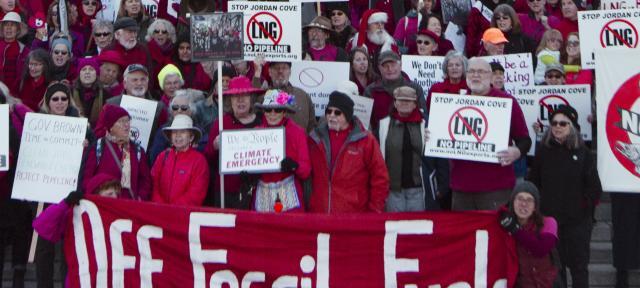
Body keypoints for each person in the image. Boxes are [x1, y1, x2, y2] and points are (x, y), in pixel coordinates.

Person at [441, 58, 531, 211]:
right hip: (462, 187)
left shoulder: (507, 101)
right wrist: (431, 136)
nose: (475, 75)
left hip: (496, 188)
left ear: (490, 76)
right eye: (471, 71)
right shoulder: (455, 103)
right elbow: (442, 136)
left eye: (481, 72)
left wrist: (516, 152)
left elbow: (525, 140)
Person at [528, 105, 602, 288]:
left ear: (573, 127)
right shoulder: (543, 152)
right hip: (550, 222)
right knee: (554, 270)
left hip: (577, 223)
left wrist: (583, 207)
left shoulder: (583, 153)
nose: (558, 127)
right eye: (554, 123)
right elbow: (533, 183)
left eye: (563, 123)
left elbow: (594, 188)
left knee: (579, 268)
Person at [308, 91, 389, 213]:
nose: (332, 115)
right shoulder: (315, 138)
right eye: (328, 111)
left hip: (353, 216)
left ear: (347, 115)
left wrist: (374, 211)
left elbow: (380, 178)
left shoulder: (366, 140)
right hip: (320, 214)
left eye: (337, 112)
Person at [204, 76, 264, 208]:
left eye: (245, 95)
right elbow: (208, 157)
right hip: (227, 191)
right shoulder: (221, 123)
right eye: (236, 96)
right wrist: (214, 147)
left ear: (251, 98)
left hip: (257, 190)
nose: (240, 100)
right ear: (229, 100)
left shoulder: (262, 122)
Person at [252, 90, 311, 212]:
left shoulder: (297, 133)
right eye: (268, 110)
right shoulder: (255, 133)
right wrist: (249, 173)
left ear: (284, 112)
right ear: (263, 111)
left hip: (288, 191)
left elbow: (306, 170)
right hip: (263, 192)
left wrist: (294, 166)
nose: (272, 113)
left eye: (277, 110)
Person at [83, 104, 152, 200]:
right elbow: (87, 178)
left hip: (129, 206)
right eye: (121, 121)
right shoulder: (98, 147)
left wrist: (141, 196)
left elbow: (145, 180)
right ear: (110, 127)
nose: (126, 125)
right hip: (105, 204)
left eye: (128, 120)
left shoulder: (137, 150)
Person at [498, 181, 560, 288]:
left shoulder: (549, 222)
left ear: (535, 207)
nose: (524, 204)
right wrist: (502, 214)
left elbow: (541, 249)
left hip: (548, 283)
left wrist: (515, 229)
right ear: (512, 202)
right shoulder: (504, 224)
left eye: (529, 200)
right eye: (520, 199)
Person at [376, 86, 428, 212]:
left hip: (418, 188)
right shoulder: (383, 124)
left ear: (415, 104)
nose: (404, 103)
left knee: (417, 228)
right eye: (401, 100)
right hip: (393, 189)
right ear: (394, 103)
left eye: (408, 101)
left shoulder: (425, 124)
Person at [151, 114, 209, 206]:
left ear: (191, 137)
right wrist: (160, 206)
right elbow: (154, 184)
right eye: (174, 132)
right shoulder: (162, 157)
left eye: (182, 132)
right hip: (160, 213)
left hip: (184, 215)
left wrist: (173, 209)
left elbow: (196, 193)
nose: (178, 136)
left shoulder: (199, 161)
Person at [106, 64, 168, 145]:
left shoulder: (159, 107)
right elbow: (101, 132)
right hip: (116, 153)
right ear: (124, 83)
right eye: (134, 80)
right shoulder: (112, 104)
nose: (139, 83)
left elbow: (163, 136)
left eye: (143, 80)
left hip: (147, 156)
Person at [364, 51, 426, 130]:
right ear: (379, 68)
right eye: (385, 66)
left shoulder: (415, 88)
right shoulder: (370, 91)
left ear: (400, 66)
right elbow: (364, 121)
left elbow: (424, 116)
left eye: (393, 65)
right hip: (379, 138)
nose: (390, 69)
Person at [259, 61, 317, 133]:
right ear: (269, 72)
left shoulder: (303, 96)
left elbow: (312, 127)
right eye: (276, 68)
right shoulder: (262, 97)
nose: (280, 71)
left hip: (299, 142)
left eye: (284, 68)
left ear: (290, 72)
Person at [150, 89, 204, 164]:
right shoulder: (163, 130)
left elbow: (204, 151)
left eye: (184, 108)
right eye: (175, 107)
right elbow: (154, 156)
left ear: (191, 111)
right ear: (171, 111)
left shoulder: (199, 130)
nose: (179, 110)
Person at [71, 56, 109, 126]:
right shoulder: (69, 93)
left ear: (96, 74)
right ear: (79, 74)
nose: (87, 72)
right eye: (84, 69)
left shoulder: (106, 95)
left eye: (91, 69)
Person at [0, 12, 29, 91]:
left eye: (12, 25)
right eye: (6, 25)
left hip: (15, 92)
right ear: (2, 28)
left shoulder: (24, 50)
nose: (8, 28)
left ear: (18, 29)